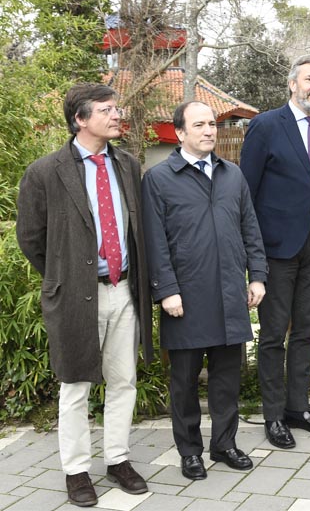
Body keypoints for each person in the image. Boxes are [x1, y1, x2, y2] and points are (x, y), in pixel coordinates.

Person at [16, 83, 153, 507]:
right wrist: (66, 276)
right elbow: (30, 238)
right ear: (80, 118)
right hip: (76, 294)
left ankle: (117, 459)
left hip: (126, 288)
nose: (117, 115)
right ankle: (76, 471)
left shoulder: (128, 164)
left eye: (117, 108)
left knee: (123, 380)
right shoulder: (45, 171)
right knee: (75, 384)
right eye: (107, 110)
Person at [142, 101, 267, 480]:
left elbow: (250, 229)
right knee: (184, 381)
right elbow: (154, 241)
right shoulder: (159, 179)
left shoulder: (233, 175)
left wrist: (257, 275)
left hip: (230, 292)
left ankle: (225, 444)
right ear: (180, 133)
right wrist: (166, 290)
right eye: (199, 125)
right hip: (186, 296)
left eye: (212, 124)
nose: (209, 130)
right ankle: (190, 451)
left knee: (227, 378)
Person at [239, 54, 310, 448]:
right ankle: (273, 415)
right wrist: (253, 257)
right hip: (276, 249)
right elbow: (246, 191)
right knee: (273, 336)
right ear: (293, 84)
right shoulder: (265, 125)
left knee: (307, 333)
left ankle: (298, 408)